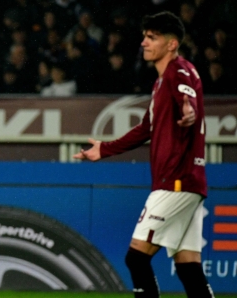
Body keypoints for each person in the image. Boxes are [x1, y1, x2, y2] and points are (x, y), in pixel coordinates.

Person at [73, 11, 214, 298]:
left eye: (152, 37)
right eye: (144, 37)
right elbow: (146, 128)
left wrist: (188, 109)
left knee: (136, 258)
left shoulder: (179, 70)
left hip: (175, 181)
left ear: (171, 44)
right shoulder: (161, 82)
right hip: (187, 183)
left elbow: (185, 96)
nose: (144, 43)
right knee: (188, 267)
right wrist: (106, 148)